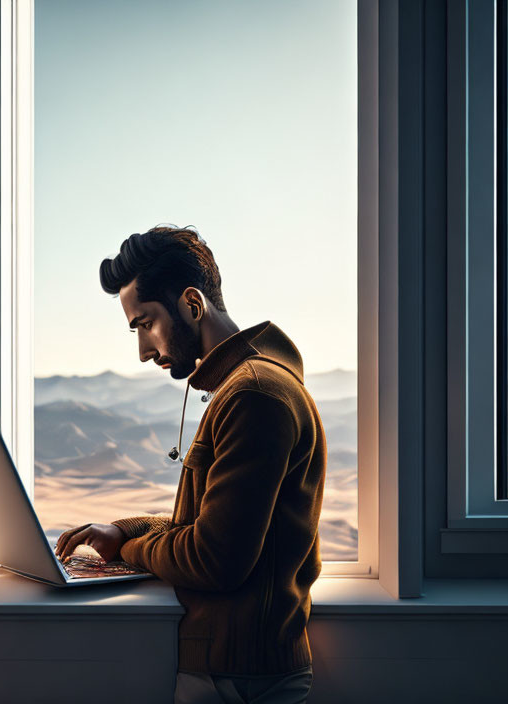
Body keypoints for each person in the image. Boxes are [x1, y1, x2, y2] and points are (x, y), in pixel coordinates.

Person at [56, 225, 326, 704]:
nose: (142, 351)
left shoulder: (254, 397)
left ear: (191, 304)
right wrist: (125, 529)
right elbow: (209, 528)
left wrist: (127, 551)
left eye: (144, 324)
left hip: (242, 680)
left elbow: (213, 558)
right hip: (236, 670)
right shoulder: (242, 389)